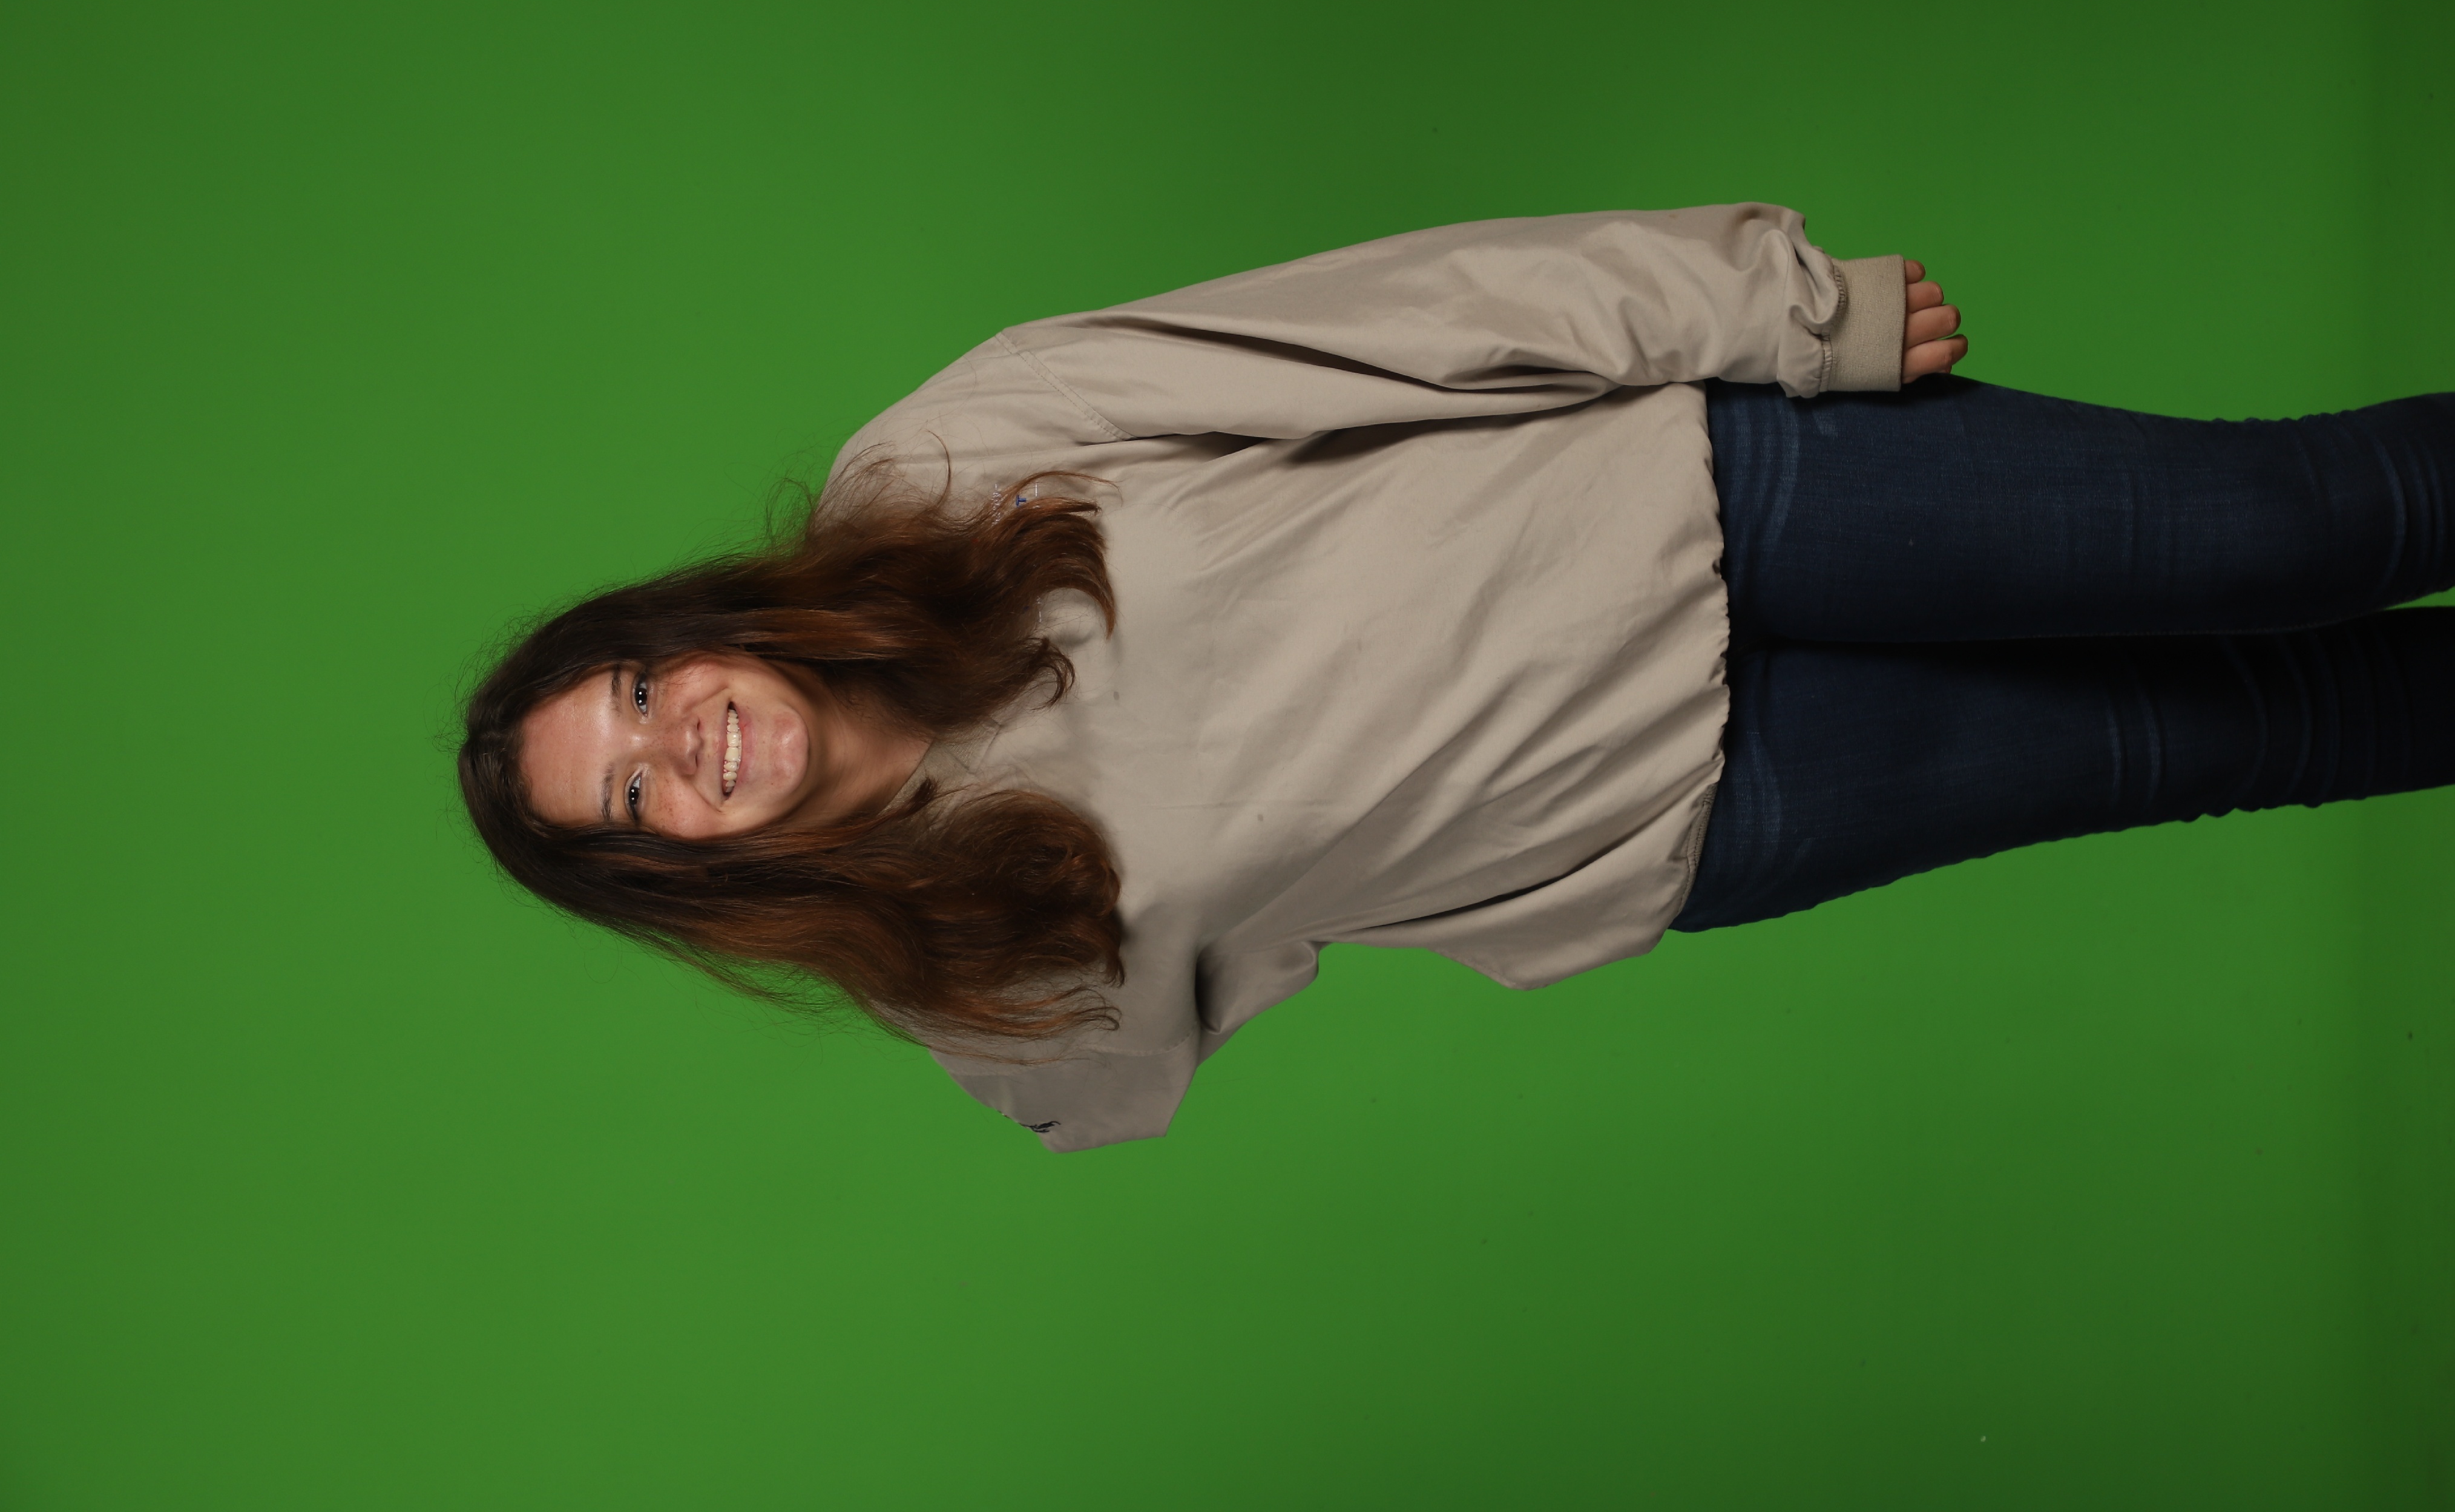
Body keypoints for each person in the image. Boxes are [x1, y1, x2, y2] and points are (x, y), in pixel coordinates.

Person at [458, 205, 2455, 1151]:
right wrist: (927, 926)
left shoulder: (937, 470)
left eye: (631, 688)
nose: (677, 741)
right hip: (1712, 809)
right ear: (683, 870)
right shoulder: (941, 966)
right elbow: (1125, 1081)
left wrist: (1774, 308)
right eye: (634, 797)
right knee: (2230, 737)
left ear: (679, 628)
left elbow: (1381, 322)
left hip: (1724, 497)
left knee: (2288, 528)